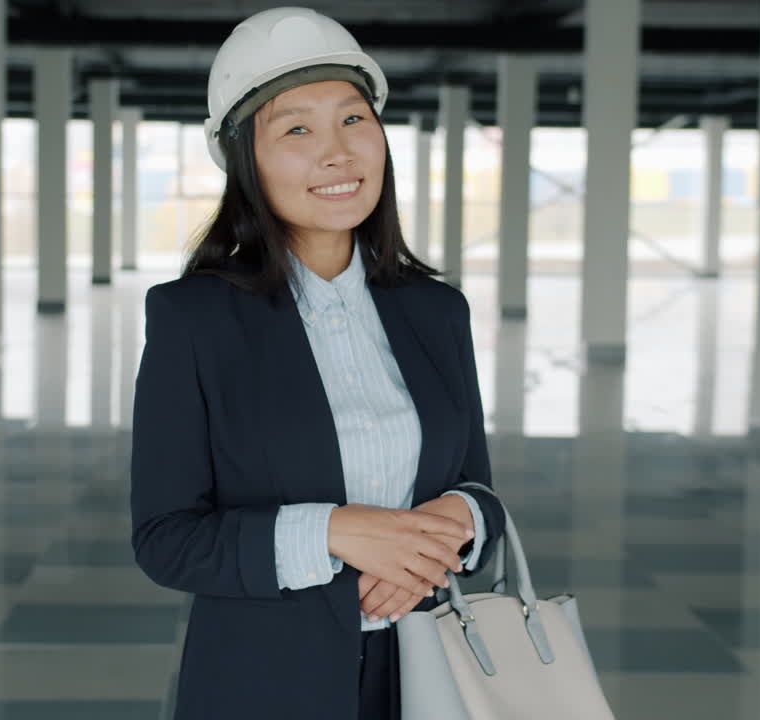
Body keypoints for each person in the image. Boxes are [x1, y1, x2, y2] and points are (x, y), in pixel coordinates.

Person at [129, 7, 505, 719]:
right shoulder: (195, 319)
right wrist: (338, 530)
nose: (338, 153)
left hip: (423, 675)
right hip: (265, 683)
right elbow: (166, 540)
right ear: (247, 160)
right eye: (296, 129)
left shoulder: (434, 311)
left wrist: (458, 522)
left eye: (354, 121)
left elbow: (476, 489)